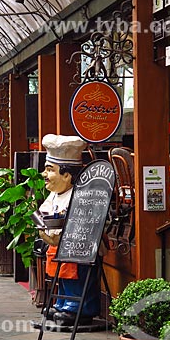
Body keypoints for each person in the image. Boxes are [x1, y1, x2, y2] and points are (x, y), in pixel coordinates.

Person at [37, 134, 101, 326]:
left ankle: (78, 308)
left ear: (67, 175)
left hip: (78, 248)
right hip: (58, 246)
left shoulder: (81, 196)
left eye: (50, 170)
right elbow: (45, 212)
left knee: (75, 276)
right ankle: (63, 302)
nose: (44, 175)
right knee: (62, 275)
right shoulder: (55, 195)